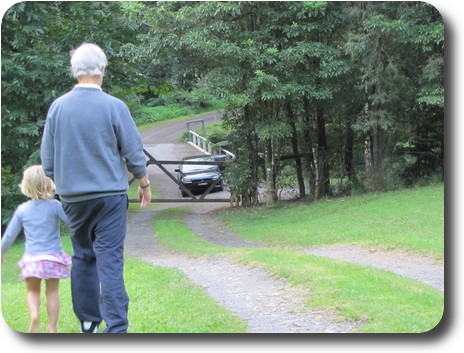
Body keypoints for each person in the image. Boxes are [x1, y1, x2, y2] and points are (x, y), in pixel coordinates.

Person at [40, 43, 151, 333]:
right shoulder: (115, 106)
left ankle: (88, 324)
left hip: (73, 200)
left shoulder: (58, 107)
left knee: (84, 257)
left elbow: (48, 163)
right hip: (110, 197)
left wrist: (64, 183)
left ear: (74, 71)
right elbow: (134, 153)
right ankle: (116, 330)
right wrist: (143, 182)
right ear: (102, 69)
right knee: (110, 260)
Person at [1, 165, 71, 333]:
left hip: (32, 259)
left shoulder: (22, 209)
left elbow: (10, 235)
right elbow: (71, 221)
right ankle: (52, 327)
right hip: (53, 258)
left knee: (33, 291)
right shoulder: (55, 205)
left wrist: (2, 251)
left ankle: (34, 315)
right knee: (52, 292)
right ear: (49, 184)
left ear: (26, 185)